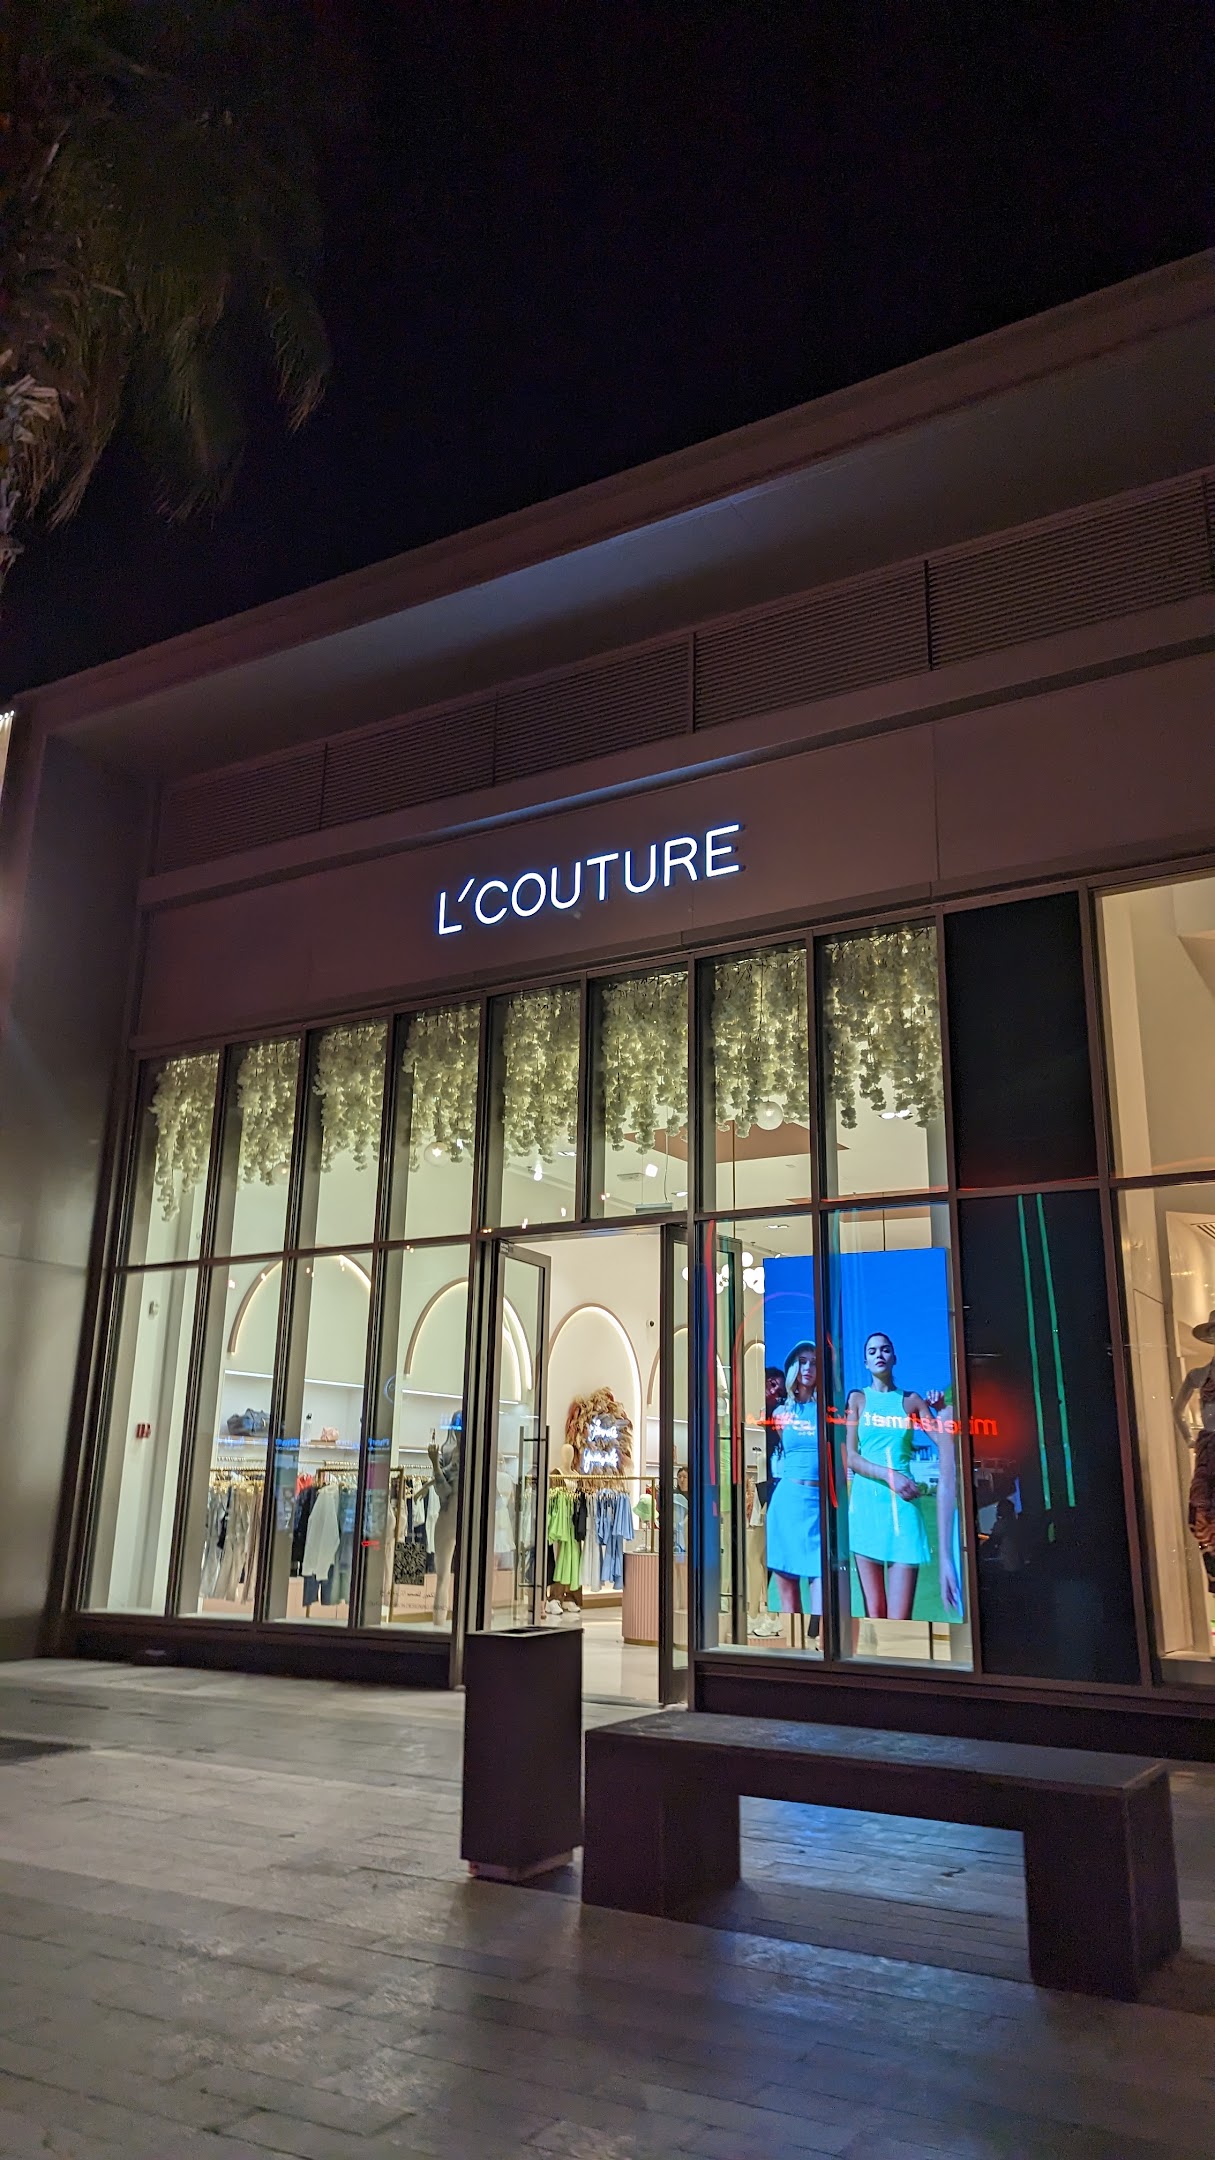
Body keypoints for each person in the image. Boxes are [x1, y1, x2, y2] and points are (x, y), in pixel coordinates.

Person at [846, 1330, 962, 1624]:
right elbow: (852, 1457)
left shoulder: (912, 1401)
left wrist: (941, 1410)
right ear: (865, 1361)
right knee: (874, 1615)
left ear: (894, 1358)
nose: (879, 1355)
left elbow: (945, 1444)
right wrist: (890, 1476)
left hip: (904, 1509)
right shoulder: (857, 1399)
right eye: (872, 1351)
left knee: (900, 1621)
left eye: (885, 1349)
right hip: (867, 1507)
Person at [764, 1340, 822, 1617]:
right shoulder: (781, 1414)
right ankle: (795, 1645)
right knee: (789, 1604)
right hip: (787, 1503)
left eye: (814, 1362)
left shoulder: (828, 1411)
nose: (808, 1368)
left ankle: (821, 1643)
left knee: (822, 1598)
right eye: (802, 1362)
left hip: (818, 1506)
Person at [1173, 1309, 1215, 1594]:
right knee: (1202, 1509)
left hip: (1207, 1447)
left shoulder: (1200, 1374)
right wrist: (1189, 1439)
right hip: (1208, 1448)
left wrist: (1190, 1438)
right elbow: (1176, 1411)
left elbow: (1177, 1411)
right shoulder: (1199, 1374)